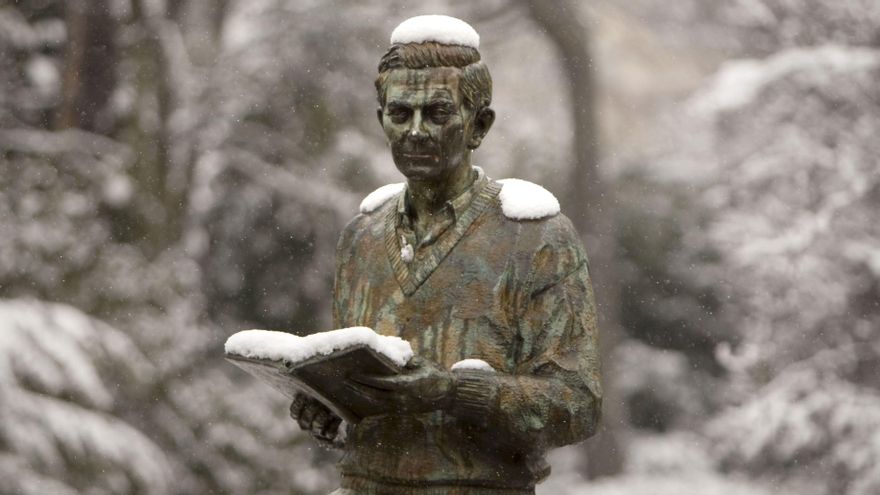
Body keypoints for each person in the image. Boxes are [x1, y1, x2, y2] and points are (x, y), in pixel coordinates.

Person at [289, 15, 602, 495]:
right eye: (400, 114)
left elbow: (577, 405)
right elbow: (359, 387)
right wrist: (329, 408)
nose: (415, 131)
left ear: (479, 125)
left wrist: (457, 394)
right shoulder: (362, 237)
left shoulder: (536, 238)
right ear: (381, 121)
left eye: (437, 113)